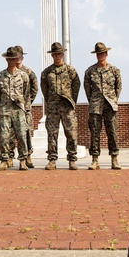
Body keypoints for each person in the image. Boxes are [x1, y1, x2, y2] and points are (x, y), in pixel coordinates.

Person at [41, 41, 82, 170]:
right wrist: (50, 101)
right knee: (52, 133)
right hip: (53, 107)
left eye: (59, 54)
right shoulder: (47, 72)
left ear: (62, 54)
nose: (57, 56)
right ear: (52, 56)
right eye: (55, 54)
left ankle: (72, 159)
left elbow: (76, 85)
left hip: (67, 106)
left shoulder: (70, 70)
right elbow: (44, 89)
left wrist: (71, 100)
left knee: (71, 133)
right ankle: (52, 159)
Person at [83, 42, 122, 170]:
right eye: (99, 54)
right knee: (95, 133)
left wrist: (114, 100)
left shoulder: (114, 70)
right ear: (96, 55)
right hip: (95, 106)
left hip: (110, 106)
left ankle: (114, 159)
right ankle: (95, 160)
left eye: (103, 53)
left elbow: (118, 87)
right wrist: (93, 101)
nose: (101, 55)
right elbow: (87, 89)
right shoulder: (90, 71)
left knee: (112, 132)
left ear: (106, 54)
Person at [0, 47, 31, 171]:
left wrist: (21, 104)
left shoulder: (23, 76)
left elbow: (26, 93)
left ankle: (23, 160)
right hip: (5, 109)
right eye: (9, 59)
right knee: (4, 136)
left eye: (14, 58)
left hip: (18, 109)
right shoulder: (0, 76)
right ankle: (4, 160)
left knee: (21, 135)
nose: (11, 61)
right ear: (6, 59)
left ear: (17, 59)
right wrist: (3, 105)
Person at [15, 46, 38, 166]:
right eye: (16, 57)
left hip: (25, 108)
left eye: (19, 57)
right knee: (11, 133)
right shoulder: (8, 73)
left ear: (22, 58)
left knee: (27, 132)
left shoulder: (29, 72)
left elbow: (35, 88)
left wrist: (28, 101)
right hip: (12, 108)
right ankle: (8, 157)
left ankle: (28, 156)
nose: (18, 59)